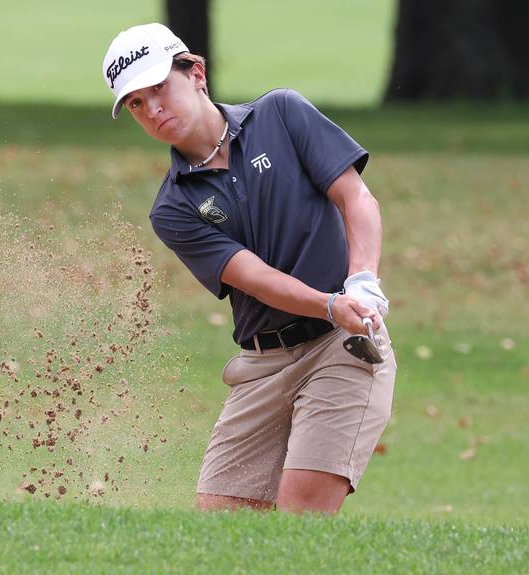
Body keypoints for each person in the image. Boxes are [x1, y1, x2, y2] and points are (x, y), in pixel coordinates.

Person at [102, 23, 396, 514]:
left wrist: (362, 281)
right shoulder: (172, 208)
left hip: (341, 346)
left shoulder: (280, 114)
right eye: (135, 103)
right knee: (221, 527)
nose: (152, 109)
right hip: (261, 366)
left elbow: (355, 196)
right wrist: (329, 301)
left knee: (300, 518)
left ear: (196, 72)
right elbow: (254, 276)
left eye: (158, 88)